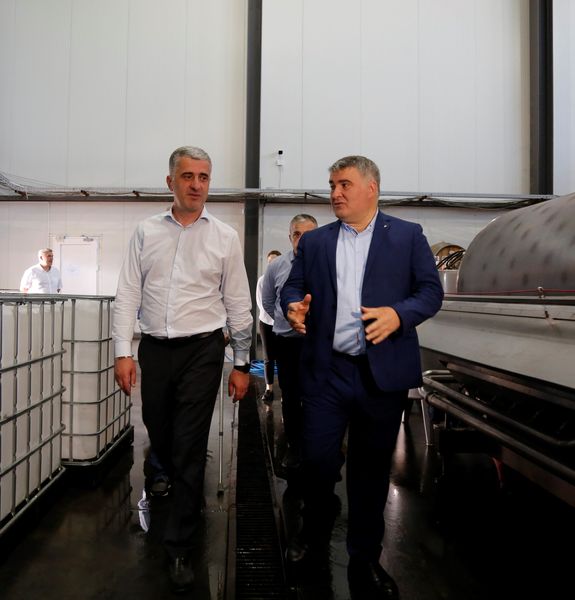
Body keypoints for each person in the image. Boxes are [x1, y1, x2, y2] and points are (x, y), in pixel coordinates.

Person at [280, 156, 443, 600]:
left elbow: (431, 292)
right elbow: (293, 287)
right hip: (327, 371)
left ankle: (364, 558)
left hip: (380, 375)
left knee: (370, 471)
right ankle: (314, 532)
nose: (335, 193)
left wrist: (398, 315)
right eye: (332, 184)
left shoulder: (407, 236)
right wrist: (293, 307)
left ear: (372, 188)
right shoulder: (316, 242)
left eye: (345, 184)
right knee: (317, 462)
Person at [112, 145, 252, 594]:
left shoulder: (224, 238)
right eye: (188, 176)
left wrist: (243, 363)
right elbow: (128, 293)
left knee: (190, 445)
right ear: (170, 181)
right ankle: (170, 485)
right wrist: (123, 352)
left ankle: (179, 545)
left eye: (204, 177)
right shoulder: (146, 232)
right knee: (161, 431)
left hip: (203, 351)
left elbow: (239, 305)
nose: (196, 184)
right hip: (154, 349)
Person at [261, 214, 318, 470]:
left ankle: (319, 451)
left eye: (309, 235)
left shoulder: (327, 264)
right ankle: (294, 447)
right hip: (287, 342)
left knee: (319, 395)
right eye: (297, 234)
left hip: (318, 342)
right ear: (289, 237)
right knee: (291, 395)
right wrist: (285, 321)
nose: (302, 240)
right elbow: (268, 301)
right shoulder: (277, 266)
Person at [255, 249, 282, 402]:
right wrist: (277, 318)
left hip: (283, 324)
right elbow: (262, 304)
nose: (272, 264)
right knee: (268, 357)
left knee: (284, 358)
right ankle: (269, 389)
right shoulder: (262, 281)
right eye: (270, 262)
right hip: (266, 323)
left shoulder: (285, 278)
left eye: (275, 261)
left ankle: (285, 391)